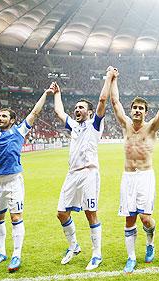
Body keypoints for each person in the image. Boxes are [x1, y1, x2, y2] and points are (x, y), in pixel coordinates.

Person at [0, 76, 53, 272]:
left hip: (13, 181)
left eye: (4, 116)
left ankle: (16, 255)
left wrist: (46, 93)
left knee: (16, 217)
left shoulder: (19, 132)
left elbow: (35, 112)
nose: (0, 118)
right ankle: (1, 252)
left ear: (12, 120)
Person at [110, 69, 159, 273]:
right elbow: (115, 103)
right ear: (131, 110)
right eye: (134, 108)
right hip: (128, 177)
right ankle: (131, 257)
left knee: (145, 218)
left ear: (145, 112)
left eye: (141, 108)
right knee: (129, 218)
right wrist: (114, 79)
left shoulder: (151, 128)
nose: (137, 111)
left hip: (145, 176)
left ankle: (150, 242)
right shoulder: (125, 125)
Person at [51, 66, 116, 270]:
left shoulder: (94, 125)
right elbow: (59, 112)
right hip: (72, 174)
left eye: (81, 108)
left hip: (89, 173)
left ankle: (97, 254)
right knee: (62, 213)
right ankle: (74, 246)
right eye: (76, 108)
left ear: (88, 112)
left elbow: (102, 101)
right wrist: (58, 94)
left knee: (90, 213)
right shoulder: (74, 125)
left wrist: (108, 77)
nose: (77, 110)